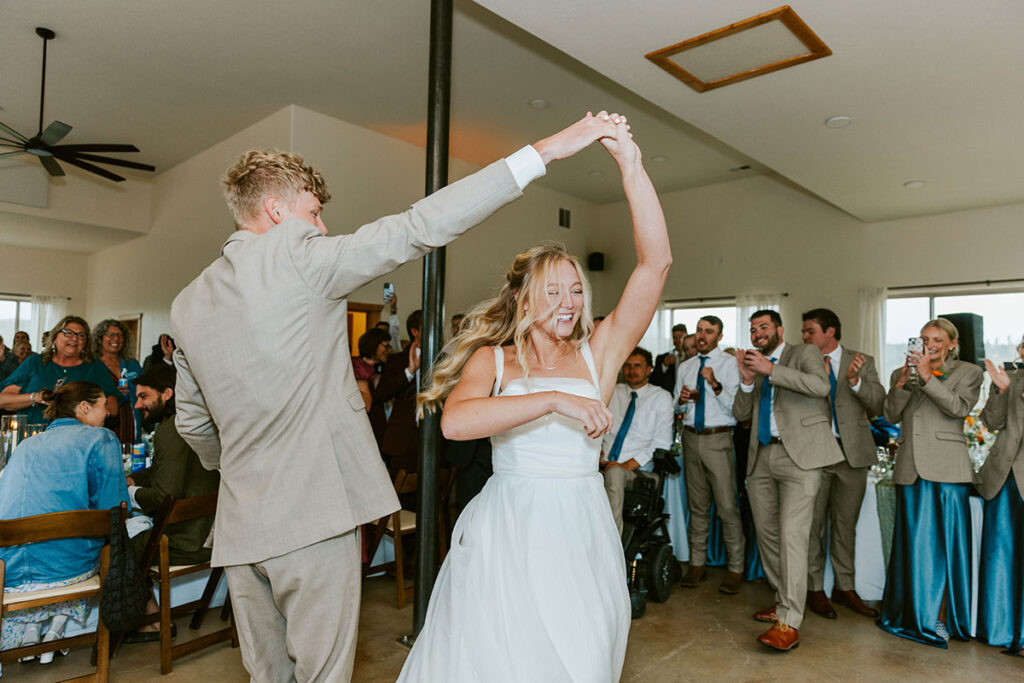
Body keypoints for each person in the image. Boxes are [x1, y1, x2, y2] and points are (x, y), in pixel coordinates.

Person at [169, 111, 624, 682]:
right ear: (277, 211)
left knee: (267, 678)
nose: (323, 228)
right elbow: (419, 225)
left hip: (239, 528)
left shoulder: (187, 302)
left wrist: (236, 466)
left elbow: (192, 423)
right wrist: (546, 152)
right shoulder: (301, 256)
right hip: (313, 519)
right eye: (314, 213)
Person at [399, 113, 670, 682]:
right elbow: (456, 423)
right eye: (553, 290)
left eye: (576, 289)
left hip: (581, 524)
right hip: (510, 527)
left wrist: (631, 166)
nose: (569, 301)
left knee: (585, 655)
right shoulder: (492, 359)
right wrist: (551, 399)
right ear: (524, 298)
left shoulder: (600, 353)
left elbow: (655, 263)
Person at [733, 310, 843, 651]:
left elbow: (820, 387)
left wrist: (772, 370)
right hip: (762, 456)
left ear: (780, 329)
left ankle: (789, 620)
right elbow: (741, 415)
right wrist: (747, 380)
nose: (757, 333)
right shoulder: (756, 364)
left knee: (793, 536)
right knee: (768, 537)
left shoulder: (804, 352)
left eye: (764, 327)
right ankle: (783, 598)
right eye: (752, 330)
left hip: (801, 457)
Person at [0, 381, 128, 663]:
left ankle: (33, 628)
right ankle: (56, 629)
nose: (108, 413)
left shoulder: (26, 443)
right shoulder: (102, 438)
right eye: (103, 406)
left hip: (9, 570)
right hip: (67, 569)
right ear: (84, 408)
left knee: (57, 544)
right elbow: (112, 512)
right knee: (102, 540)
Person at [877, 318, 982, 647]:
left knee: (946, 548)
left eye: (937, 339)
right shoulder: (902, 372)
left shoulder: (969, 372)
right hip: (910, 467)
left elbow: (957, 408)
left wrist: (927, 377)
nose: (930, 344)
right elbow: (890, 416)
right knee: (913, 546)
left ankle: (942, 618)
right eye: (924, 338)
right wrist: (902, 384)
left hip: (948, 470)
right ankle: (908, 614)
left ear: (952, 343)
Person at [120, 362, 221, 644]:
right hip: (217, 534)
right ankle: (152, 616)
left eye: (143, 397)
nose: (138, 405)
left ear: (167, 393)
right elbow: (169, 468)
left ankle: (147, 622)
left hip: (189, 543)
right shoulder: (198, 421)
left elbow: (165, 496)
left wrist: (129, 493)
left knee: (113, 544)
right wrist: (132, 478)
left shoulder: (170, 430)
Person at [800, 308, 886, 619]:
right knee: (812, 527)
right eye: (804, 331)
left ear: (831, 331)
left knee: (845, 525)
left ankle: (844, 587)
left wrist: (855, 381)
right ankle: (813, 589)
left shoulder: (863, 360)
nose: (805, 336)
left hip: (853, 455)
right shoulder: (801, 361)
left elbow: (878, 405)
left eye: (810, 331)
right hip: (815, 454)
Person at [675, 315, 744, 594]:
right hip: (691, 438)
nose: (702, 336)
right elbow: (676, 409)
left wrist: (714, 384)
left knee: (727, 507)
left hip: (718, 439)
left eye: (709, 331)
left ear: (719, 335)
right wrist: (680, 402)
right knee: (698, 506)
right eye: (699, 331)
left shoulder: (729, 365)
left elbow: (736, 409)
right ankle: (697, 563)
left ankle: (736, 568)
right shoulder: (686, 365)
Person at [977, 338, 1024, 653]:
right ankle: (999, 628)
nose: (1022, 350)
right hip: (1004, 477)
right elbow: (990, 422)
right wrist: (1001, 391)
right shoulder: (1013, 378)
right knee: (1000, 553)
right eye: (1023, 344)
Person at [600, 346, 674, 537]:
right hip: (603, 463)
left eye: (637, 366)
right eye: (627, 366)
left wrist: (623, 465)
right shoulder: (612, 391)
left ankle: (611, 544)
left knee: (615, 474)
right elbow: (597, 428)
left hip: (638, 472)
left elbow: (662, 444)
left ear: (649, 369)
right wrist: (598, 454)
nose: (632, 371)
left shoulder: (661, 397)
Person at [0, 316, 118, 424]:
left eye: (81, 335)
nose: (75, 338)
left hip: (78, 439)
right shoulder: (35, 362)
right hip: (34, 437)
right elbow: (3, 400)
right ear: (55, 337)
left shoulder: (95, 367)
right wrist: (36, 397)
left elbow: (113, 409)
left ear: (86, 343)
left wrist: (88, 407)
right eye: (69, 333)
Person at [376, 310, 423, 476]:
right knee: (400, 496)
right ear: (414, 331)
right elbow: (382, 394)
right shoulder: (397, 361)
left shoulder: (442, 360)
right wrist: (410, 371)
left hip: (433, 440)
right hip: (403, 438)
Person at [93, 319, 144, 445]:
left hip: (131, 420)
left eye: (120, 335)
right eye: (110, 335)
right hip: (105, 422)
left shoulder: (132, 364)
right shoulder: (92, 365)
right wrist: (114, 393)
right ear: (100, 338)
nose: (116, 339)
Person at [353, 327, 391, 443]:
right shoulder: (359, 367)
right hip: (368, 426)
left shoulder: (386, 366)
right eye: (385, 346)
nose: (388, 350)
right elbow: (366, 405)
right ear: (374, 345)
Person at [651, 323, 687, 392]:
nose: (678, 341)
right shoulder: (661, 358)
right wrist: (664, 365)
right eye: (675, 338)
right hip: (668, 397)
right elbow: (652, 381)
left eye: (680, 337)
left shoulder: (694, 356)